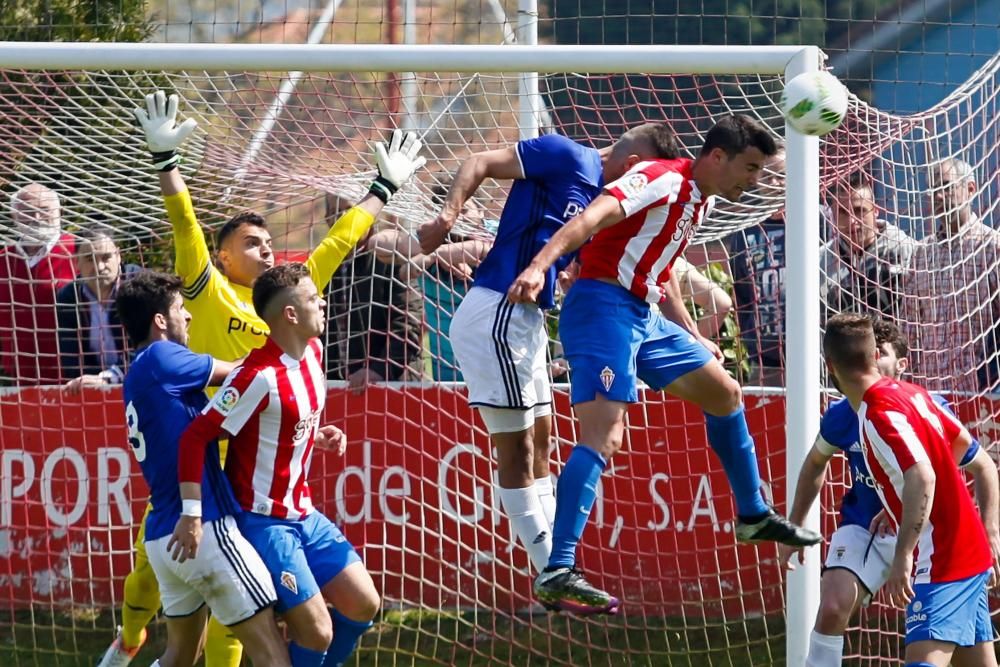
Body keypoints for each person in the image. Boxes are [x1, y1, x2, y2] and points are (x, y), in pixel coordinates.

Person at [96, 89, 425, 666]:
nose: (266, 247)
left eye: (270, 240)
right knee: (152, 578)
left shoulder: (290, 301)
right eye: (251, 242)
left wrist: (381, 190)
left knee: (237, 624)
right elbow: (185, 224)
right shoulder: (206, 292)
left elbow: (342, 240)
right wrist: (168, 165)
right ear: (222, 258)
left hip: (252, 475)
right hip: (201, 468)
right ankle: (126, 645)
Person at [508, 114, 820, 614]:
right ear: (717, 157)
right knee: (604, 437)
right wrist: (540, 266)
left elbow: (662, 268)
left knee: (725, 393)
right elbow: (591, 217)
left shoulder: (696, 198)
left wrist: (693, 335)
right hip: (601, 310)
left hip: (643, 316)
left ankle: (753, 514)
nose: (754, 180)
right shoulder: (662, 176)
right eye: (751, 167)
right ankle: (558, 568)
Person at [417, 123, 680, 575]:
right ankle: (552, 573)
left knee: (543, 444)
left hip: (528, 319)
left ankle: (561, 566)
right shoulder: (566, 155)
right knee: (517, 452)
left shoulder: (608, 205)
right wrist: (448, 216)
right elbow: (479, 161)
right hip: (498, 309)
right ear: (633, 165)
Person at [177, 263, 378, 667]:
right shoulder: (257, 376)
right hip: (262, 522)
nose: (321, 303)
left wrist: (317, 434)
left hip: (304, 514)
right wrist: (192, 512)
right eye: (311, 299)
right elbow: (195, 437)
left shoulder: (314, 353)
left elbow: (289, 421)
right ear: (290, 315)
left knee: (363, 603)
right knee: (318, 632)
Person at [778, 319, 999, 667]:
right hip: (964, 549)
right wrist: (897, 504)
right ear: (874, 355)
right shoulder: (914, 395)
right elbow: (943, 459)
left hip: (943, 557)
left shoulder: (877, 414)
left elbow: (923, 476)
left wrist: (904, 555)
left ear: (830, 367)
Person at [114, 271, 291, 667]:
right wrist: (287, 334)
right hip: (201, 528)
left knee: (179, 656)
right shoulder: (162, 356)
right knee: (271, 651)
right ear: (160, 320)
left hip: (165, 536)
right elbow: (246, 375)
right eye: (180, 309)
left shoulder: (141, 370)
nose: (189, 317)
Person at [368, 187, 493, 381]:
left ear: (482, 212)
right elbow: (377, 242)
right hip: (448, 376)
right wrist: (438, 253)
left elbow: (488, 248)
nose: (458, 219)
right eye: (451, 212)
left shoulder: (496, 230)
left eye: (465, 211)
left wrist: (435, 255)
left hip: (497, 371)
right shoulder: (432, 239)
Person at [902, 157, 1000, 393]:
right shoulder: (921, 253)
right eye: (933, 190)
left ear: (970, 189)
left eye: (946, 187)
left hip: (978, 395)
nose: (938, 196)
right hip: (928, 394)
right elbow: (909, 329)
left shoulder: (992, 247)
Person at [0, 183, 75, 384]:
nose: (37, 218)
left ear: (60, 212)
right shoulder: (3, 260)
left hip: (73, 378)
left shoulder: (80, 252)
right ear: (14, 217)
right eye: (29, 211)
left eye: (45, 210)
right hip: (16, 382)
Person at [726, 147, 788, 384]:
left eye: (782, 176)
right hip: (765, 358)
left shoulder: (820, 220)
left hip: (818, 353)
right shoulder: (745, 231)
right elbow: (741, 295)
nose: (774, 183)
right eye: (768, 175)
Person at [819, 171, 915, 323]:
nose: (852, 221)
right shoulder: (821, 261)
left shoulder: (904, 249)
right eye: (843, 212)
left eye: (859, 210)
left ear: (875, 210)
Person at [57, 231, 139, 390]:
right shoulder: (68, 298)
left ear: (119, 256)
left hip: (143, 382)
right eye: (89, 259)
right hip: (93, 389)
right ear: (76, 262)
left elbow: (152, 345)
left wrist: (111, 377)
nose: (99, 266)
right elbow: (70, 357)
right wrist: (93, 380)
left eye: (106, 257)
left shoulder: (140, 285)